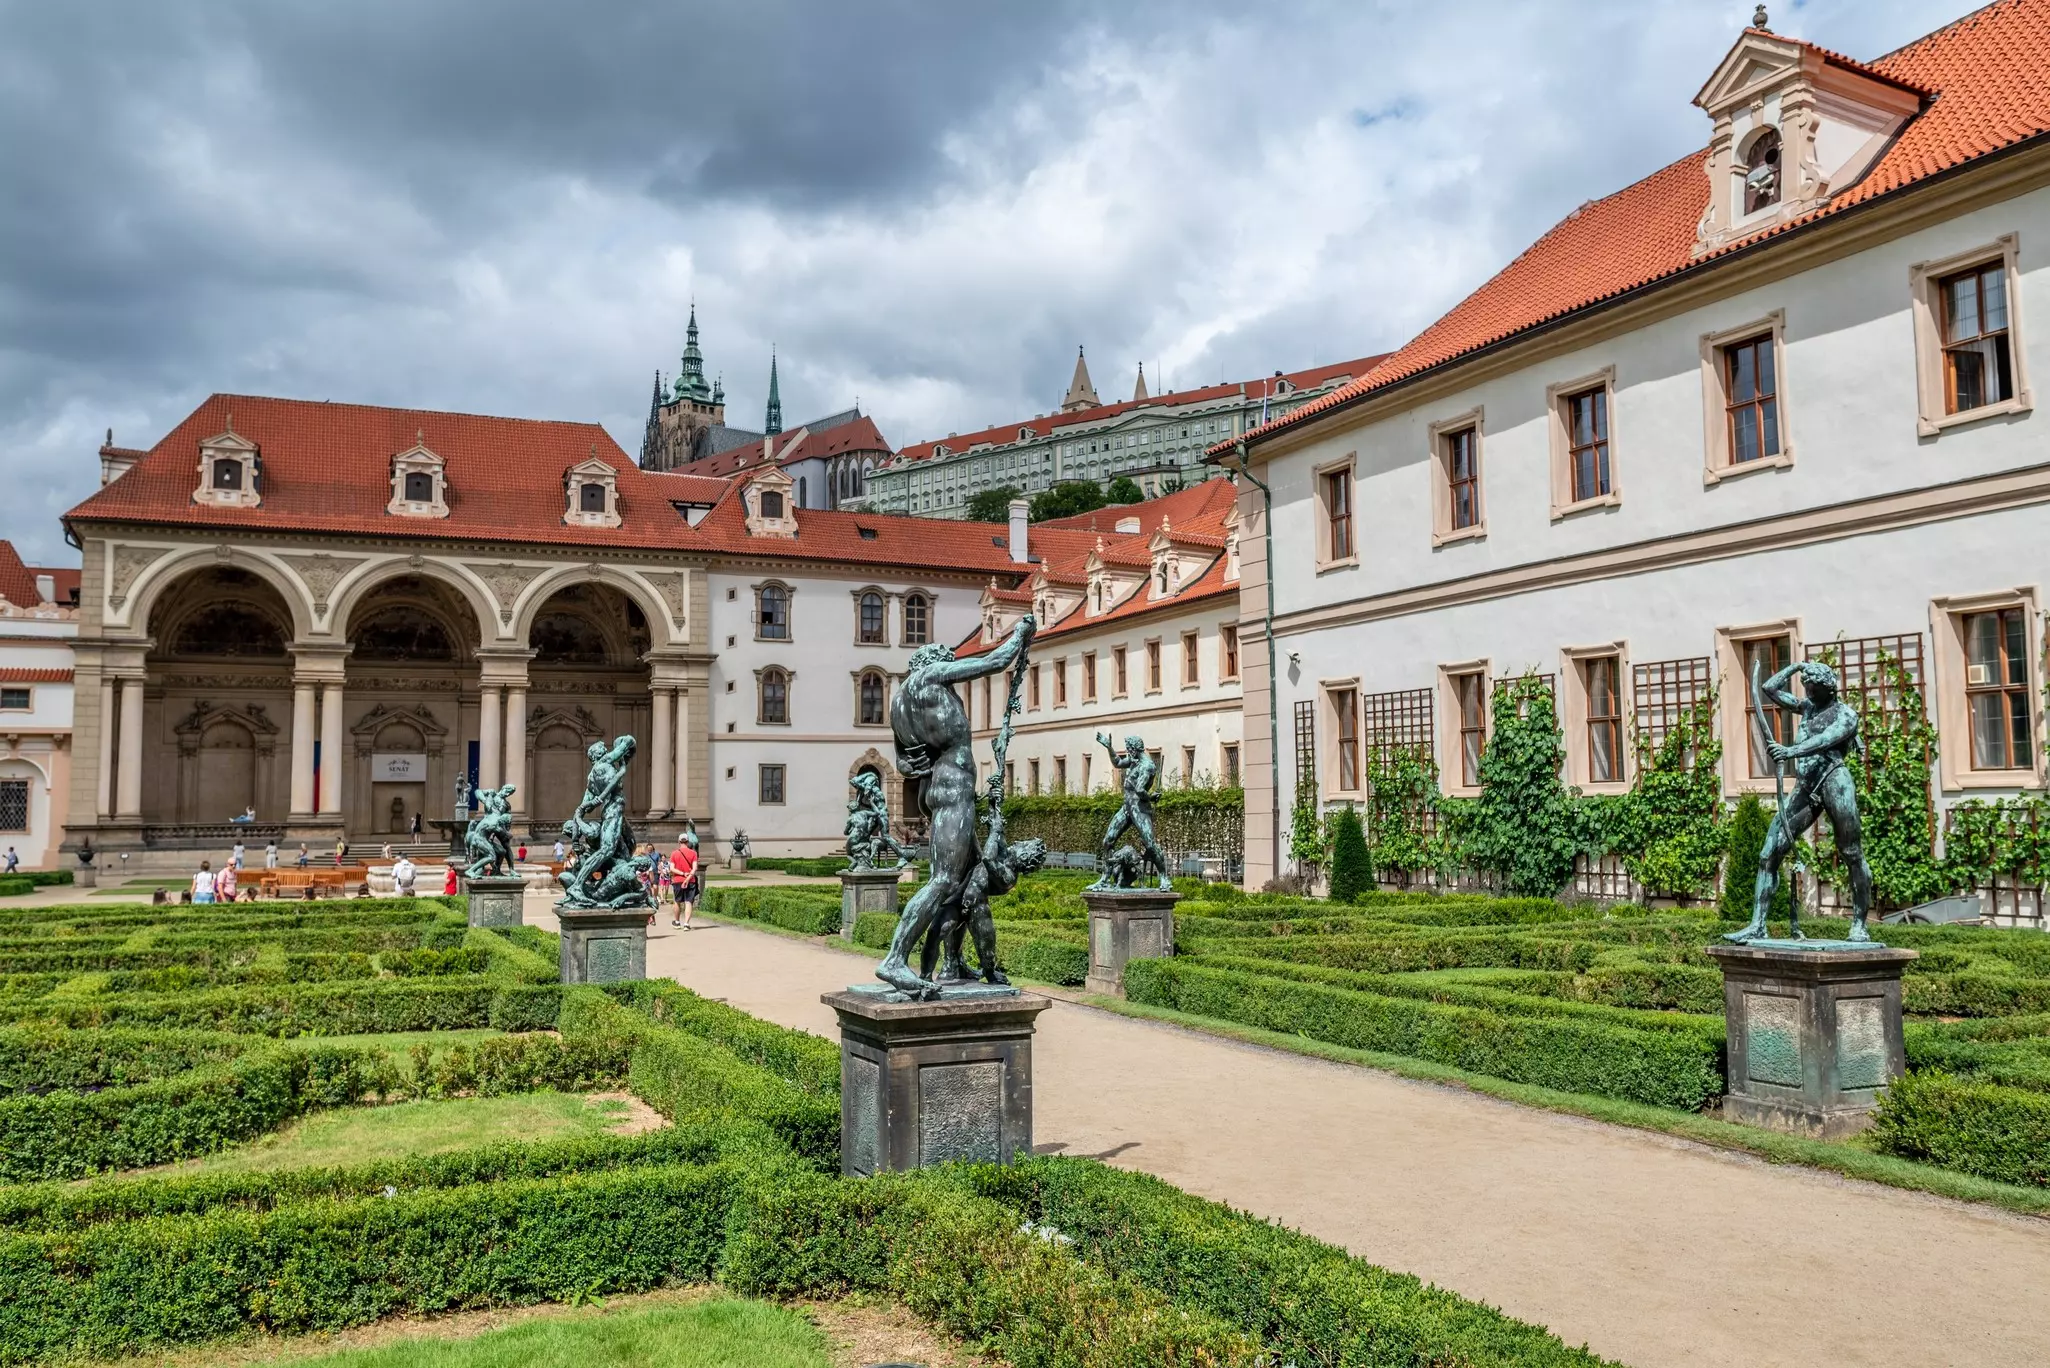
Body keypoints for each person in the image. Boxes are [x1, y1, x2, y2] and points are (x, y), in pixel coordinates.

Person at [876, 614, 1036, 997]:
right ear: (933, 661)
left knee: (967, 884)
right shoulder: (932, 677)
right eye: (945, 659)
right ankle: (895, 959)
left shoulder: (899, 702)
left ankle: (954, 960)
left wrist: (907, 762)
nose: (949, 666)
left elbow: (902, 761)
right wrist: (1021, 633)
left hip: (935, 793)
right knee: (944, 880)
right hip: (953, 792)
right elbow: (993, 662)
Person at [668, 832, 699, 930]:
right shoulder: (693, 853)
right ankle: (686, 924)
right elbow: (694, 868)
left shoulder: (674, 853)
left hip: (678, 880)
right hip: (690, 881)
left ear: (679, 841)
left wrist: (682, 874)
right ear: (688, 841)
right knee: (688, 902)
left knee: (677, 901)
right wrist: (688, 877)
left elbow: (672, 868)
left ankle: (677, 922)